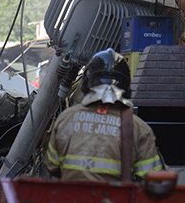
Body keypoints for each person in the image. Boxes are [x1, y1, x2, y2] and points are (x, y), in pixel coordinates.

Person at [46, 49, 164, 182]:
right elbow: (152, 180)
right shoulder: (138, 127)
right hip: (115, 202)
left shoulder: (65, 118)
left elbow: (53, 168)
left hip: (71, 201)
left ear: (86, 81)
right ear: (126, 86)